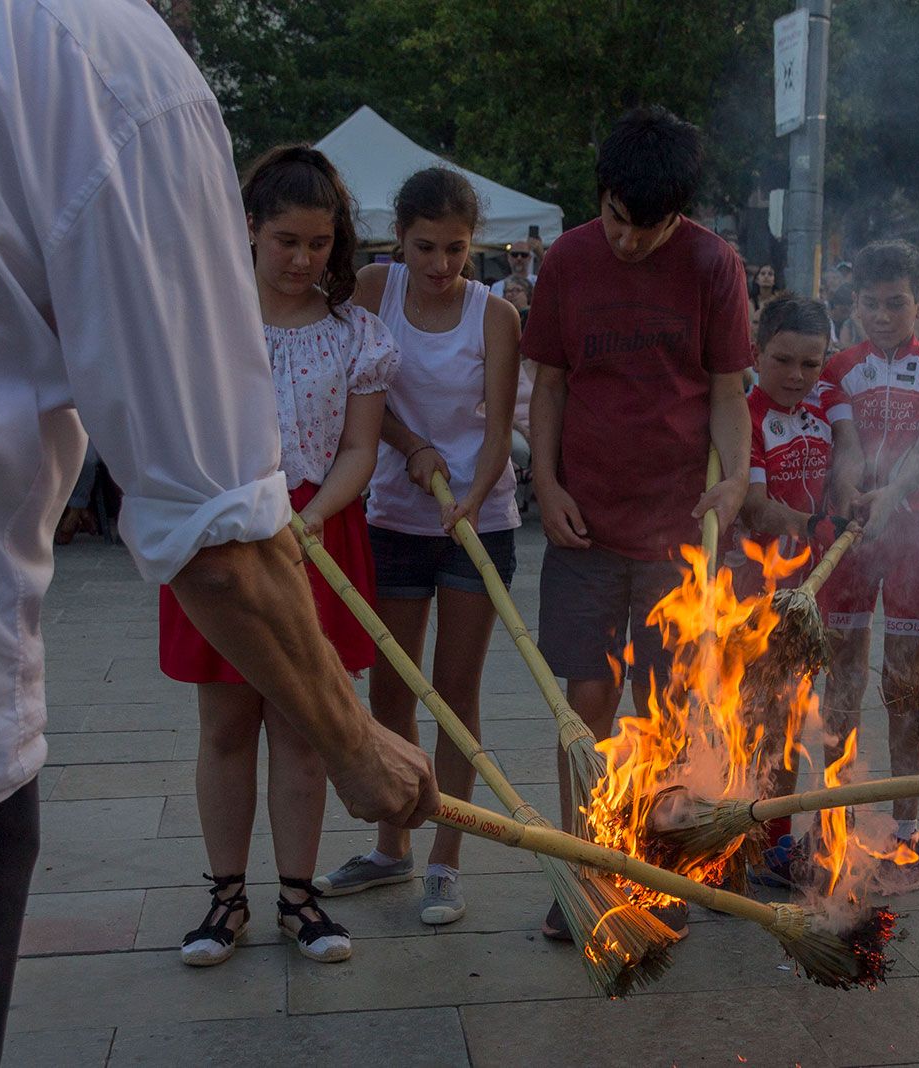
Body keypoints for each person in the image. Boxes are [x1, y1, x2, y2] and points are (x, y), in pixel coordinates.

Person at [0, 3, 436, 1063]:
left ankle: (294, 892)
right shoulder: (98, 56)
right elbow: (214, 525)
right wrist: (360, 746)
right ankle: (232, 891)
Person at [160, 145, 399, 966]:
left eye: (320, 244)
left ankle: (301, 899)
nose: (302, 260)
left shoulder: (356, 335)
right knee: (226, 723)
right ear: (250, 231)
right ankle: (226, 899)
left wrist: (315, 517)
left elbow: (361, 449)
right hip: (222, 530)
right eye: (286, 241)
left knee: (307, 724)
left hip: (319, 533)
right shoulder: (205, 324)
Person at [524, 106, 753, 941]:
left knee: (663, 710)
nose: (626, 241)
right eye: (616, 219)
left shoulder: (711, 263)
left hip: (677, 535)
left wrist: (736, 482)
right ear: (602, 198)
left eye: (646, 229)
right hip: (582, 525)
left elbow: (729, 394)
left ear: (680, 215)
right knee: (583, 703)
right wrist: (544, 483)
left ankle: (648, 870)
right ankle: (584, 870)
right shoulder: (569, 259)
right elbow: (548, 383)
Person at [313, 168, 522, 928]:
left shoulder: (494, 315)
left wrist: (472, 494)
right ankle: (392, 845)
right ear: (398, 239)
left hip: (476, 522)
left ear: (476, 244)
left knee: (454, 694)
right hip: (395, 517)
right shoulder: (374, 289)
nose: (441, 266)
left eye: (457, 250)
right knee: (391, 694)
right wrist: (409, 446)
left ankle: (446, 859)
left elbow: (499, 431)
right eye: (426, 247)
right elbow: (356, 398)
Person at [819, 240, 919, 892]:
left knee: (904, 686)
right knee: (843, 681)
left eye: (896, 304)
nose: (883, 315)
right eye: (871, 304)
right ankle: (835, 826)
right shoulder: (836, 368)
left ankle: (905, 837)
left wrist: (892, 495)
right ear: (854, 304)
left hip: (914, 529)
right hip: (853, 531)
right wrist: (854, 493)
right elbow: (847, 446)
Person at [733, 296, 860, 886]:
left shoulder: (828, 399)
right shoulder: (747, 412)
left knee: (793, 714)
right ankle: (749, 837)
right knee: (759, 716)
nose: (797, 377)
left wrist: (852, 492)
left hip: (816, 586)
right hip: (757, 586)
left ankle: (776, 841)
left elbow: (852, 450)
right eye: (782, 360)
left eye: (812, 364)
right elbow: (755, 505)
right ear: (757, 351)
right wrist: (806, 523)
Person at [748, 262, 783, 338]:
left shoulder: (779, 303)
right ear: (757, 279)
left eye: (770, 274)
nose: (766, 276)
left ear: (774, 280)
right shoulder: (749, 303)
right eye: (763, 274)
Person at [828, 284, 863, 348]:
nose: (849, 313)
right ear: (835, 305)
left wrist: (857, 323)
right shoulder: (825, 321)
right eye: (844, 310)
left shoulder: (853, 322)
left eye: (851, 307)